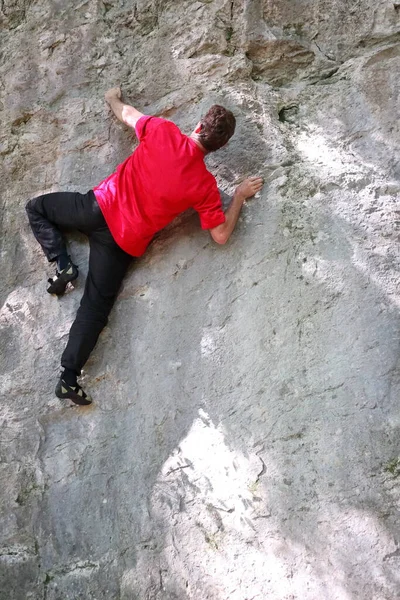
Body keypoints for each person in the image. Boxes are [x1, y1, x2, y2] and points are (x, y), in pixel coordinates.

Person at [26, 87, 264, 406]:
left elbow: (125, 113)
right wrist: (237, 197)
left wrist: (111, 96)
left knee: (37, 208)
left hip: (97, 208)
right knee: (95, 307)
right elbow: (220, 235)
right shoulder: (204, 186)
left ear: (197, 126)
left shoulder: (163, 131)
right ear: (218, 147)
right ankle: (68, 377)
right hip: (123, 244)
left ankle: (63, 264)